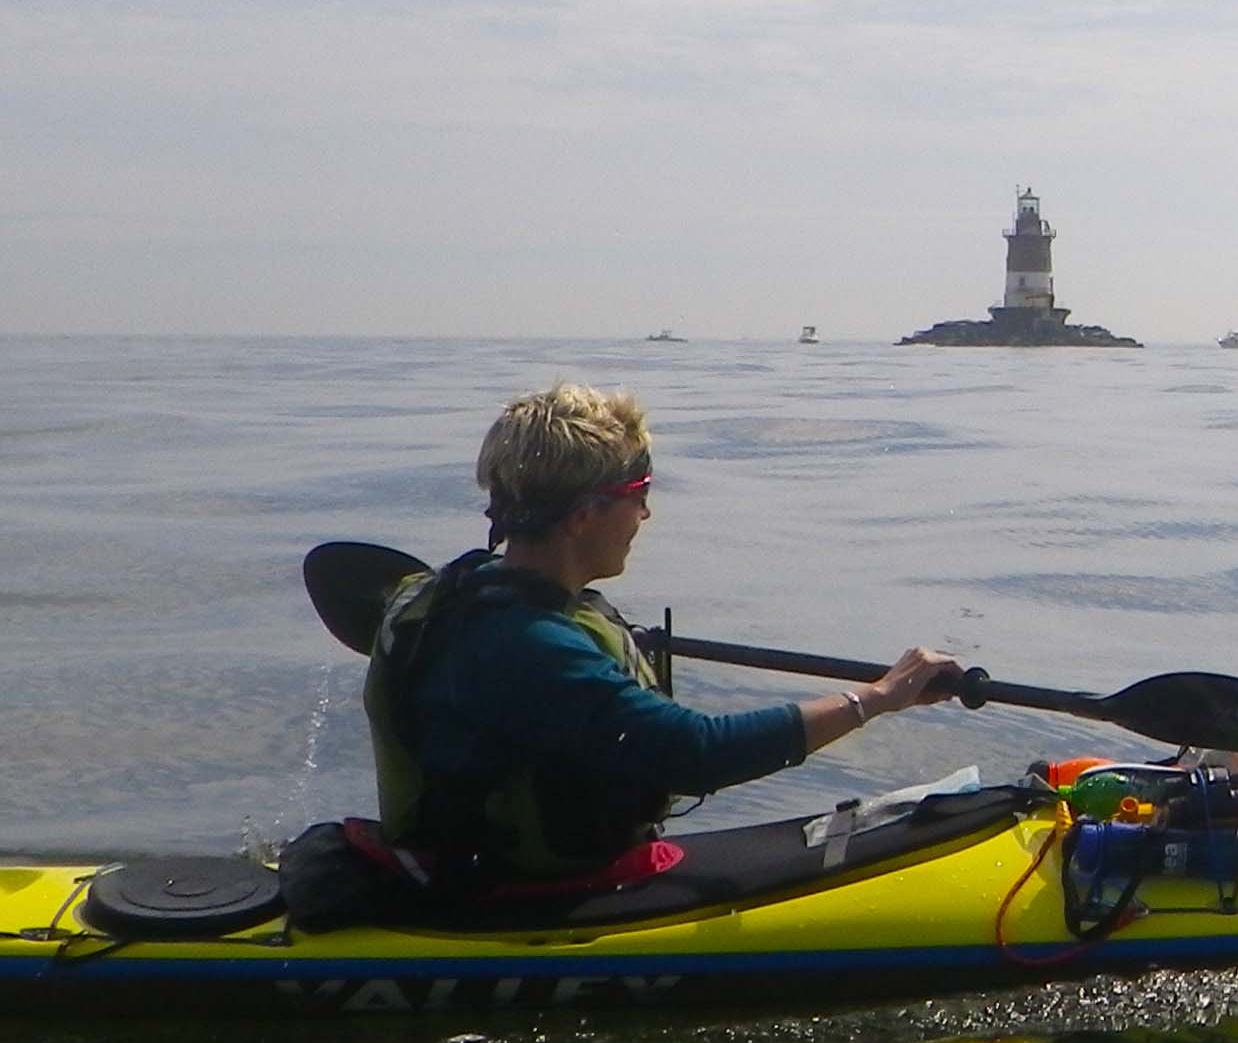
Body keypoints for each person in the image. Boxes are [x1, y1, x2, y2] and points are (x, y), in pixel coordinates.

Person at [362, 383, 962, 897]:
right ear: (583, 515)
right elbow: (693, 754)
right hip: (505, 894)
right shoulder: (524, 645)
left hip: (461, 866)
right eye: (639, 494)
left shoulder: (446, 594)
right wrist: (879, 697)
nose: (645, 515)